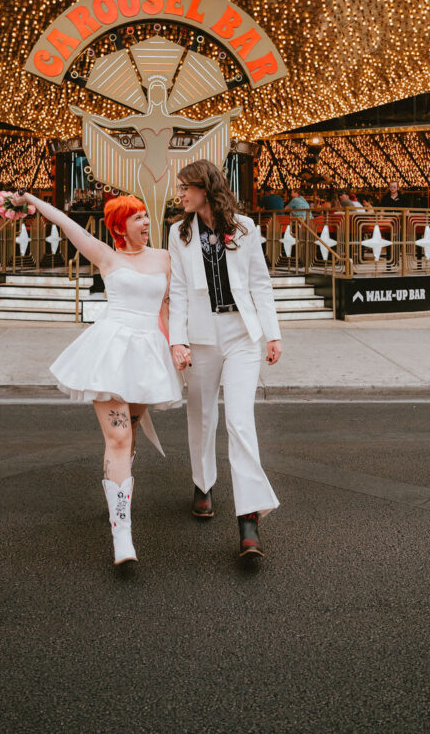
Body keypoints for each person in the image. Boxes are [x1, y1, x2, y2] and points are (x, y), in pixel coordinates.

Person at [10, 188, 182, 566]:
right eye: (137, 217)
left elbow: (168, 309)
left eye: (146, 217)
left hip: (148, 353)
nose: (146, 222)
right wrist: (30, 202)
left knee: (129, 436)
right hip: (111, 349)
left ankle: (118, 491)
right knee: (119, 437)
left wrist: (177, 347)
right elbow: (66, 224)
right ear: (120, 226)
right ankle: (122, 533)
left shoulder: (166, 258)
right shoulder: (107, 256)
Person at [168, 159, 281, 560]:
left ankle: (248, 519)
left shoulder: (245, 227)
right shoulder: (177, 234)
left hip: (241, 336)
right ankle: (203, 485)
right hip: (199, 338)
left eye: (186, 187)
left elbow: (260, 283)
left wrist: (273, 333)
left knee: (238, 421)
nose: (179, 194)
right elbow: (178, 291)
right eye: (180, 188)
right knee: (201, 417)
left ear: (206, 188)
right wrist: (176, 340)